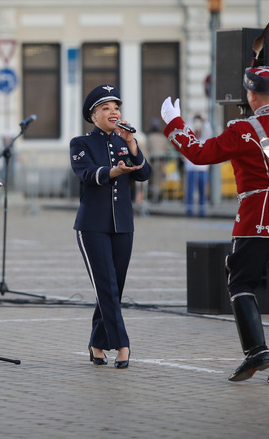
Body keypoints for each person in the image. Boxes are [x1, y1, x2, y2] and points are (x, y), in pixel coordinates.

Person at [161, 66, 269, 385]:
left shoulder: (241, 130)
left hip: (257, 218)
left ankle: (257, 351)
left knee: (241, 282)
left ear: (252, 95)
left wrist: (175, 123)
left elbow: (200, 154)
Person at [70, 85, 152, 369]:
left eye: (116, 107)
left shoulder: (123, 142)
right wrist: (113, 171)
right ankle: (122, 344)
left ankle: (96, 343)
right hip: (92, 226)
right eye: (106, 108)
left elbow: (144, 174)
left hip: (123, 225)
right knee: (106, 287)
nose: (113, 112)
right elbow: (87, 174)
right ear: (93, 116)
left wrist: (131, 144)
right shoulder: (80, 143)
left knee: (113, 288)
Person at [184, 114, 213, 216]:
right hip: (191, 169)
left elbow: (209, 132)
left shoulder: (204, 140)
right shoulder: (191, 141)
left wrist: (204, 120)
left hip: (202, 170)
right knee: (190, 191)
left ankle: (202, 210)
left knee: (202, 191)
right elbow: (186, 131)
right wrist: (191, 119)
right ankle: (189, 209)